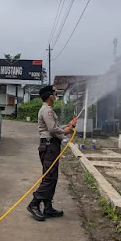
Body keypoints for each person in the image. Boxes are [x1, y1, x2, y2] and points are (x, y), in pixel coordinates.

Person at [27, 85, 77, 221]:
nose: (55, 96)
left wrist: (66, 127)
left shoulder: (47, 110)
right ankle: (34, 204)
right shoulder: (47, 110)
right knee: (49, 177)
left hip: (51, 146)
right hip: (49, 147)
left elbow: (54, 128)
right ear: (50, 97)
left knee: (52, 177)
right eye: (54, 94)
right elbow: (52, 130)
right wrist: (65, 131)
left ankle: (48, 207)